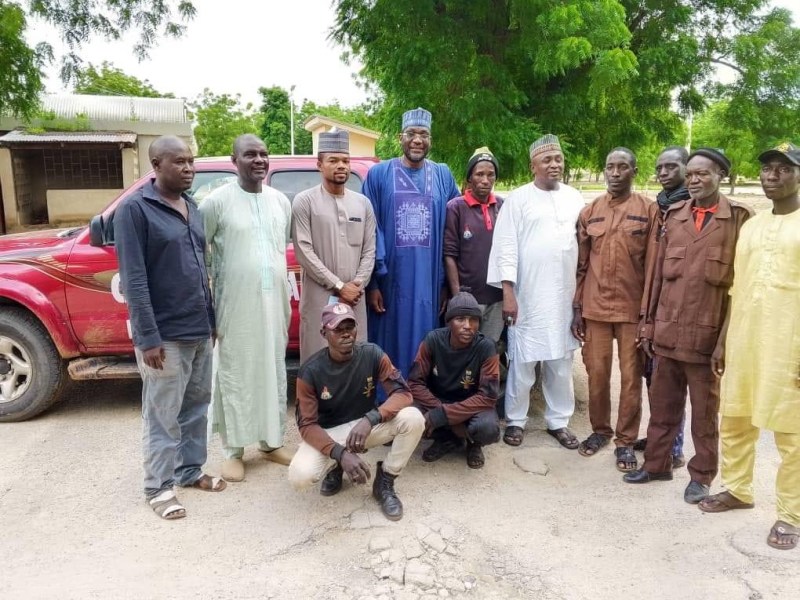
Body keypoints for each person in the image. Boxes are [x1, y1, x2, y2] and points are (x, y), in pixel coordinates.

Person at [626, 148, 752, 505]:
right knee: (662, 408)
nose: (695, 180)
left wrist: (724, 341)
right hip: (667, 333)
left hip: (705, 339)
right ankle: (657, 465)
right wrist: (648, 324)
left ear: (721, 176)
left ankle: (701, 476)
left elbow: (739, 289)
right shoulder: (674, 215)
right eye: (692, 174)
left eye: (703, 174)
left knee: (704, 416)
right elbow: (656, 278)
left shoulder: (738, 220)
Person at [114, 135, 225, 520]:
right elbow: (134, 279)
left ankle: (189, 471)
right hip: (164, 336)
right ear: (156, 165)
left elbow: (200, 269)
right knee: (162, 413)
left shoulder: (192, 207)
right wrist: (148, 337)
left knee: (196, 407)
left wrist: (211, 321)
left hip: (198, 330)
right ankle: (158, 487)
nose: (188, 168)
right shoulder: (135, 210)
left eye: (190, 161)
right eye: (179, 162)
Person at [699, 142, 800, 550]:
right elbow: (736, 288)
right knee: (736, 418)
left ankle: (791, 514)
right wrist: (723, 341)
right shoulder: (753, 226)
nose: (772, 176)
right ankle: (738, 489)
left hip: (788, 345)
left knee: (792, 433)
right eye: (767, 169)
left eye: (784, 169)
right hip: (744, 339)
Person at [199, 134, 294, 483]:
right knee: (236, 373)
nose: (259, 160)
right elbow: (199, 258)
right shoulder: (216, 203)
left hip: (274, 305)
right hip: (234, 306)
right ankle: (233, 451)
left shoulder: (280, 201)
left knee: (272, 370)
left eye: (263, 154)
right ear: (234, 160)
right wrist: (208, 311)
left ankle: (271, 442)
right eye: (250, 154)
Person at [487, 134, 585, 448]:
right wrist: (508, 294)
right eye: (547, 160)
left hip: (564, 296)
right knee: (523, 363)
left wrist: (581, 298)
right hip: (526, 297)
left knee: (561, 363)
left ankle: (558, 422)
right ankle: (516, 420)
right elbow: (505, 247)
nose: (554, 164)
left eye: (558, 159)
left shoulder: (574, 198)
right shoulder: (518, 199)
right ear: (533, 166)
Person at [288, 303, 425, 521]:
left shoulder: (372, 353)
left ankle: (386, 480)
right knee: (300, 476)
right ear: (324, 333)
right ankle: (335, 466)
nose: (346, 334)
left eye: (349, 327)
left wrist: (371, 419)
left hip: (364, 429)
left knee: (414, 418)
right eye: (337, 329)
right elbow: (307, 425)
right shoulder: (311, 371)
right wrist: (340, 453)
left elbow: (403, 393)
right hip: (331, 434)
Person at [572, 148, 659, 472]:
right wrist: (577, 307)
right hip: (595, 308)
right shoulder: (590, 211)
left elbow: (653, 266)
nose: (615, 173)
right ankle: (600, 431)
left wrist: (648, 315)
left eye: (623, 167)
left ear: (634, 171)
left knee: (631, 378)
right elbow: (581, 265)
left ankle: (625, 441)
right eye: (610, 167)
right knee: (596, 374)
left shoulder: (648, 211)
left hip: (631, 310)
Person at [362, 107, 460, 378]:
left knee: (426, 343)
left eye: (424, 135)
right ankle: (389, 395)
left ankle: (421, 394)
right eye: (411, 134)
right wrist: (372, 284)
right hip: (389, 283)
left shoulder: (442, 175)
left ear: (430, 140)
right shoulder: (379, 174)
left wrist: (446, 284)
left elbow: (453, 229)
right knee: (388, 341)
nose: (418, 140)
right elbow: (369, 230)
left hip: (430, 283)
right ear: (400, 138)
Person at [292, 129, 376, 363]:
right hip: (320, 297)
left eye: (345, 161)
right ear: (319, 164)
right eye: (333, 160)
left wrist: (356, 286)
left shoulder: (363, 204)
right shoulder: (305, 201)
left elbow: (370, 250)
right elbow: (304, 251)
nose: (341, 166)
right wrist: (339, 286)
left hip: (355, 299)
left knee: (355, 357)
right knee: (317, 356)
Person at [634, 146, 692, 468]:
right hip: (651, 302)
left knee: (670, 384)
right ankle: (659, 437)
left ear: (686, 168)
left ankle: (673, 448)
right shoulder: (659, 206)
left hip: (675, 308)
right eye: (659, 168)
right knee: (652, 377)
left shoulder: (690, 207)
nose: (664, 173)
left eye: (671, 166)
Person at [408, 292, 501, 469]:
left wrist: (445, 416)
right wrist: (442, 413)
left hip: (471, 406)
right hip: (437, 401)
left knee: (488, 428)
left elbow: (488, 396)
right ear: (449, 322)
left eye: (473, 320)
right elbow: (414, 383)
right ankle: (447, 439)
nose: (468, 326)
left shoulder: (486, 347)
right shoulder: (433, 340)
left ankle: (474, 444)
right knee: (409, 416)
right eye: (460, 319)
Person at [443, 148, 504, 343]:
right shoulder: (456, 207)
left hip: (497, 297)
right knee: (464, 348)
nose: (485, 180)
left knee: (489, 347)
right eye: (479, 174)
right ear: (470, 177)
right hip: (469, 297)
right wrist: (458, 297)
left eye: (490, 174)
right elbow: (449, 255)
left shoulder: (502, 206)